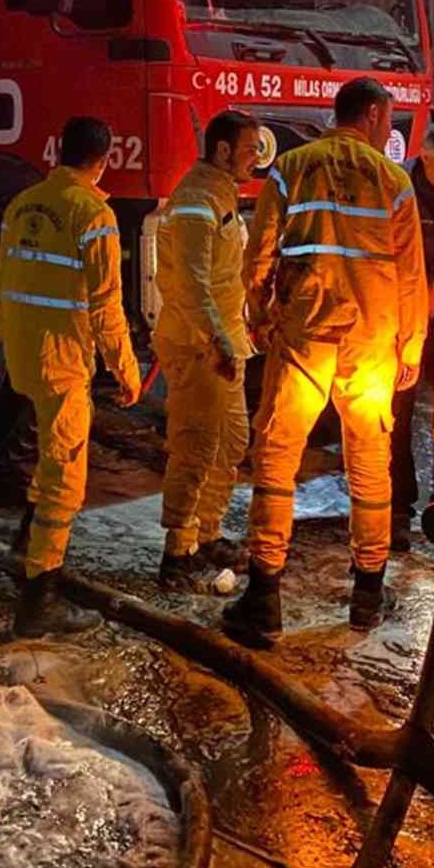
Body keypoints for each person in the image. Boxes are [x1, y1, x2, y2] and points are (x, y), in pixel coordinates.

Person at [223, 77, 427, 648]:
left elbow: (259, 249)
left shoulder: (292, 166)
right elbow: (411, 274)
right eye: (387, 119)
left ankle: (264, 594)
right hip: (371, 340)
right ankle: (366, 592)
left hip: (305, 332)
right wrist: (410, 348)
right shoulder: (394, 181)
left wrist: (260, 313)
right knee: (370, 460)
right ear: (369, 115)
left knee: (278, 453)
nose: (389, 130)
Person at [0, 116, 141, 635]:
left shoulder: (21, 204)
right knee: (65, 478)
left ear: (59, 151)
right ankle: (39, 597)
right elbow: (106, 307)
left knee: (47, 451)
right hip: (64, 360)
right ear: (102, 161)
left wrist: (13, 338)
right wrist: (126, 367)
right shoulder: (93, 214)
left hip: (26, 354)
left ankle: (27, 539)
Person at [154, 110, 262, 590]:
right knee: (195, 446)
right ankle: (177, 552)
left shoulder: (219, 195)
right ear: (221, 150)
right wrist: (216, 340)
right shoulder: (198, 199)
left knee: (232, 440)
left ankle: (207, 532)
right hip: (200, 346)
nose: (256, 159)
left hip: (225, 343)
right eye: (248, 149)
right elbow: (191, 283)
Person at [390, 131, 434, 549]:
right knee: (397, 412)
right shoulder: (399, 189)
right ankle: (395, 508)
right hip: (402, 320)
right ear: (428, 161)